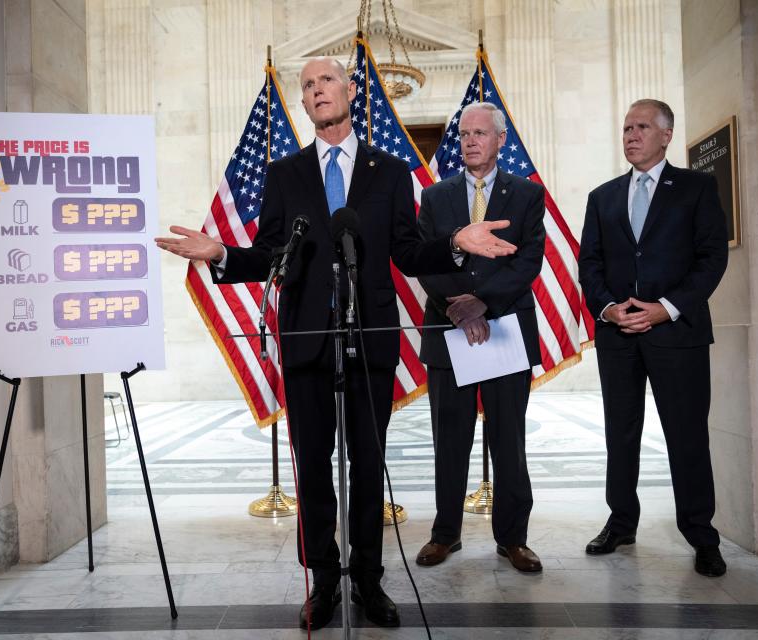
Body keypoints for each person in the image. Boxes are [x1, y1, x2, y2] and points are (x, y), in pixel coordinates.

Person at [155, 57, 516, 630]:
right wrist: (222, 254)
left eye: (326, 81)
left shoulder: (390, 172)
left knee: (368, 465)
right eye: (307, 87)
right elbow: (273, 254)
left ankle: (369, 581)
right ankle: (322, 581)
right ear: (304, 104)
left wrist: (455, 243)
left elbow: (406, 251)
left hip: (368, 343)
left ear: (350, 91)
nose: (317, 91)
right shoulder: (285, 174)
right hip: (304, 343)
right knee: (315, 470)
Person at [578, 99, 729, 577]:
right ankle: (621, 521)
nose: (631, 134)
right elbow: (590, 265)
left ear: (666, 135)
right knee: (620, 435)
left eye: (642, 126)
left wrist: (665, 309)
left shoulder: (697, 188)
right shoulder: (602, 197)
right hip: (618, 335)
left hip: (677, 335)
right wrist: (609, 308)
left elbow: (711, 260)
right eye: (626, 127)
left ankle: (702, 536)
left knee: (686, 436)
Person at [413, 102, 545, 573]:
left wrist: (483, 302)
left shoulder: (527, 196)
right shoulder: (436, 196)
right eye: (464, 134)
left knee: (508, 439)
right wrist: (460, 306)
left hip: (504, 328)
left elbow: (529, 260)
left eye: (480, 133)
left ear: (500, 140)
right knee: (449, 439)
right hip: (450, 333)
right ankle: (445, 535)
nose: (469, 141)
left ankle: (513, 539)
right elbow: (425, 259)